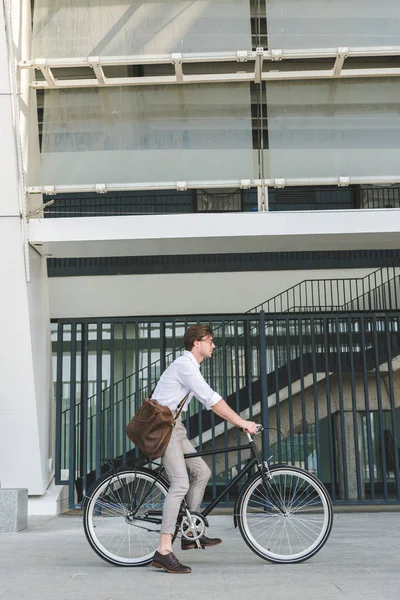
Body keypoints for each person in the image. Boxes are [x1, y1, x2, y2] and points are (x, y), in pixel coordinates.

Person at [151, 324, 257, 574]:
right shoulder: (184, 365)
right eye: (210, 341)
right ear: (196, 343)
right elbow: (211, 399)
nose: (214, 345)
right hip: (163, 429)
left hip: (175, 428)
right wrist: (241, 422)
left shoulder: (191, 366)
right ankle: (163, 550)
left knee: (202, 471)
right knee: (180, 484)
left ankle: (189, 533)